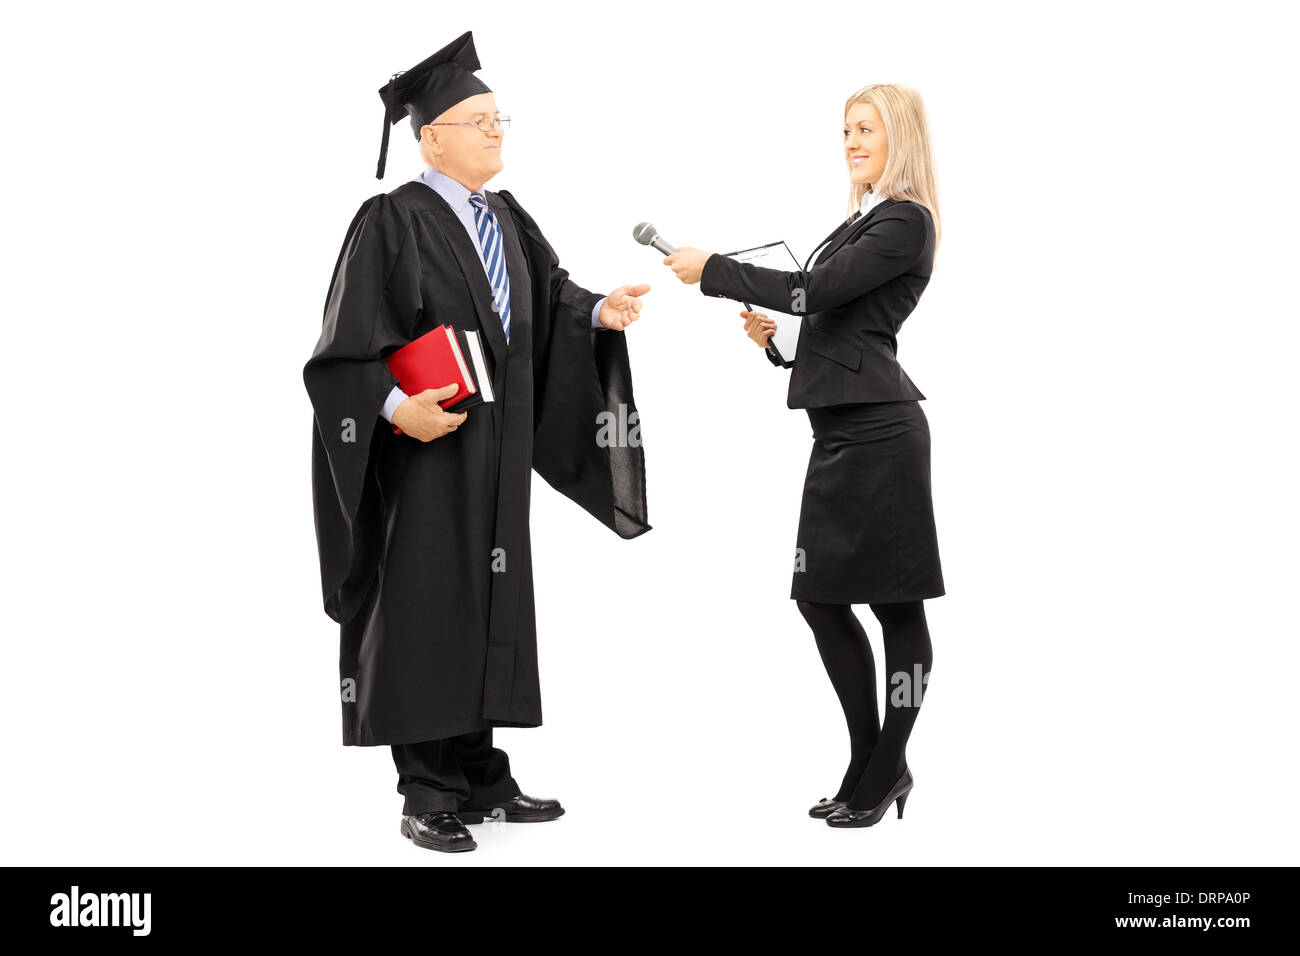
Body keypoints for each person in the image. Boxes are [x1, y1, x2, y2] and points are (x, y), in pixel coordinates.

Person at [303, 32, 652, 852]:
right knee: (426, 603)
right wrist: (393, 408)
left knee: (487, 599)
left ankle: (481, 776)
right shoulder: (391, 220)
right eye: (477, 118)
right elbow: (341, 351)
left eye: (500, 117)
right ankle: (425, 787)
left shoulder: (507, 216)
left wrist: (599, 312)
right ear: (431, 138)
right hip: (426, 450)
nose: (497, 129)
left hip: (494, 450)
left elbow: (549, 294)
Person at [663, 84, 943, 828]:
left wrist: (715, 270)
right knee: (820, 598)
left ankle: (884, 767)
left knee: (896, 604)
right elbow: (830, 316)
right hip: (839, 434)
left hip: (881, 435)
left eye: (866, 130)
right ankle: (869, 763)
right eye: (846, 129)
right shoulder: (861, 221)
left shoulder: (906, 222)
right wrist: (781, 342)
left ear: (900, 139)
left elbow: (814, 288)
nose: (852, 142)